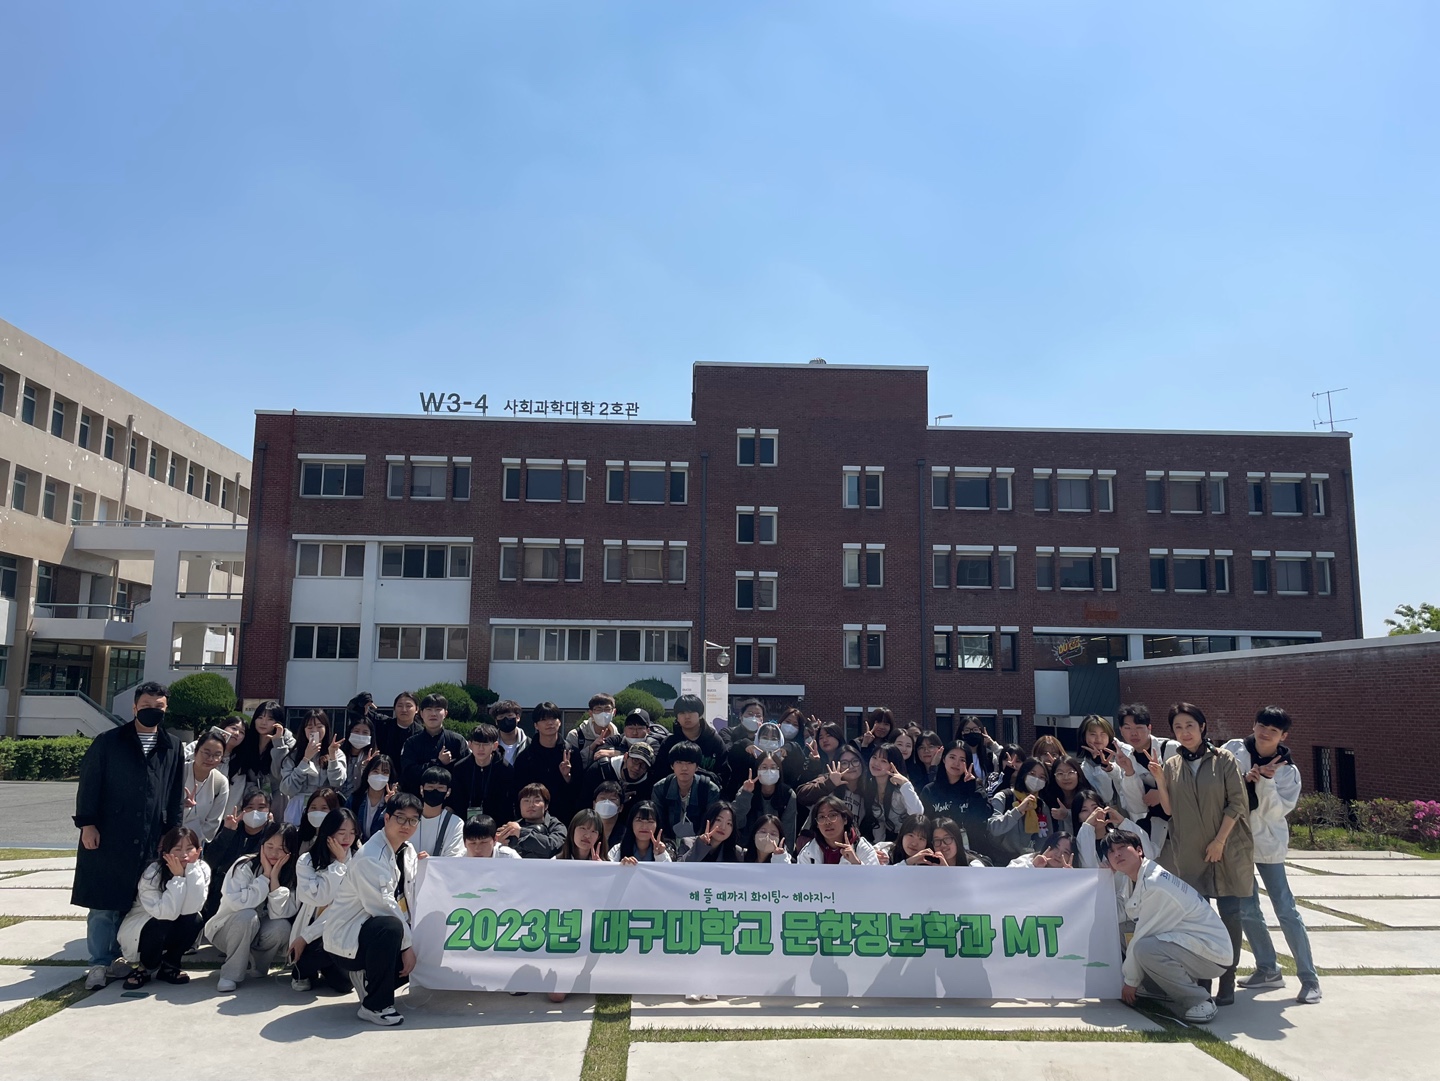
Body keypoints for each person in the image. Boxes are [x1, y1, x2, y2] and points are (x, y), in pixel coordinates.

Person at [73, 680, 186, 991]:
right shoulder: (108, 741)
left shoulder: (172, 746)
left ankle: (122, 957)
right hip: (109, 834)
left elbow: (175, 794)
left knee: (135, 900)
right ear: (135, 707)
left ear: (166, 709)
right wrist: (87, 824)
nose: (152, 711)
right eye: (146, 706)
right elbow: (89, 785)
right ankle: (99, 962)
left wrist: (172, 834)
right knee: (103, 902)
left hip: (151, 837)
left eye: (159, 707)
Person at [1149, 702, 1254, 1007]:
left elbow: (1237, 803)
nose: (1185, 732)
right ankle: (1204, 978)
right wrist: (1159, 779)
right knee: (1199, 919)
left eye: (1190, 726)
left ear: (1202, 727)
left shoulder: (1224, 759)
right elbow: (1169, 809)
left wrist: (1220, 841)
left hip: (1228, 849)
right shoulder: (1172, 765)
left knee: (1231, 916)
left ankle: (1228, 979)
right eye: (1178, 727)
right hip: (1191, 852)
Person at [1226, 706, 1321, 1005]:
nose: (1265, 733)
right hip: (1236, 842)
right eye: (1262, 726)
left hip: (1268, 844)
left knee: (1285, 909)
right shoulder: (1234, 749)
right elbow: (1220, 785)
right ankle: (1268, 969)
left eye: (1273, 730)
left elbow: (1275, 812)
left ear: (1283, 736)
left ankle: (1309, 979)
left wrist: (1265, 780)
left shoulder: (1288, 771)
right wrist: (1245, 778)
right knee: (1247, 909)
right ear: (1253, 725)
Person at [1104, 829, 1232, 1024]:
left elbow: (1142, 934)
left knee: (1144, 948)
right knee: (1122, 930)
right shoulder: (1135, 877)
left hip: (1212, 953)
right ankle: (1159, 989)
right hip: (1187, 942)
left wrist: (1130, 982)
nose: (1117, 854)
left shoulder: (1155, 883)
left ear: (1139, 850)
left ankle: (1201, 1000)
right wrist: (1103, 878)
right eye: (1111, 852)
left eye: (1122, 847)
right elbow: (1124, 914)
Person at [323, 792, 421, 1026]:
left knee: (412, 938)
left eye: (413, 820)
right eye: (400, 818)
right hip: (348, 939)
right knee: (390, 927)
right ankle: (375, 1006)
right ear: (386, 818)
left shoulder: (402, 850)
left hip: (366, 933)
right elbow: (384, 907)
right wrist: (407, 946)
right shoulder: (371, 857)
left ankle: (368, 978)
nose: (406, 825)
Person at [205, 822, 299, 992]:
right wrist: (264, 877)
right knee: (247, 915)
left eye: (281, 848)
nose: (274, 853)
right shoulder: (244, 865)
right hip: (227, 931)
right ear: (262, 844)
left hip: (258, 934)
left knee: (282, 927)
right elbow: (238, 903)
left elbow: (280, 913)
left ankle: (259, 966)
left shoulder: (292, 873)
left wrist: (274, 879)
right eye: (269, 846)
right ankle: (230, 975)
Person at [116, 826, 210, 989]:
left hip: (175, 925)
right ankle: (146, 967)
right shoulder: (153, 872)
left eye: (189, 849)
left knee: (194, 919)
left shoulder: (201, 869)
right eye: (177, 849)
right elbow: (165, 913)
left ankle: (170, 965)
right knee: (161, 923)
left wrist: (190, 870)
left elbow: (192, 908)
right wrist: (178, 878)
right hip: (148, 925)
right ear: (166, 852)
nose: (184, 854)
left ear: (198, 850)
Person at [289, 808, 360, 992]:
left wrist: (306, 937)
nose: (347, 838)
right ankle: (303, 972)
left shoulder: (358, 861)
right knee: (311, 957)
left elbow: (344, 909)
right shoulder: (307, 860)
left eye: (352, 833)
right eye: (341, 832)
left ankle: (325, 968)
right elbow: (320, 898)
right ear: (328, 833)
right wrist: (339, 864)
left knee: (344, 985)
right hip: (312, 930)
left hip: (341, 930)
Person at [201, 786, 274, 920]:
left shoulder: (272, 836)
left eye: (261, 808)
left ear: (269, 811)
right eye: (250, 807)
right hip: (220, 892)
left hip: (252, 894)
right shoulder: (232, 829)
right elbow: (210, 861)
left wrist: (270, 830)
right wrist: (227, 832)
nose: (255, 812)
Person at [1119, 703, 1181, 853]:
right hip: (1158, 835)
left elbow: (1194, 784)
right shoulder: (1126, 761)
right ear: (1121, 731)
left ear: (1149, 728)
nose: (1134, 733)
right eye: (1127, 728)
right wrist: (1129, 773)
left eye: (1139, 727)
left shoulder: (1171, 748)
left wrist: (1161, 794)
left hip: (1185, 826)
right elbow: (1136, 807)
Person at [226, 702, 295, 814]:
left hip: (277, 799)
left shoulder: (287, 743)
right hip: (249, 797)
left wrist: (278, 742)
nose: (263, 722)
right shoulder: (247, 739)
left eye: (270, 719)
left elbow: (279, 775)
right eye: (260, 717)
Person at [513, 701, 576, 821]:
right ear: (536, 725)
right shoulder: (526, 757)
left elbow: (579, 791)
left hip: (565, 818)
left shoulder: (571, 753)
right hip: (533, 819)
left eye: (553, 718)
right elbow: (519, 792)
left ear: (559, 722)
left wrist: (567, 777)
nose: (550, 723)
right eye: (544, 719)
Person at [281, 710, 348, 821]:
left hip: (325, 806)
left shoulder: (336, 753)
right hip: (298, 807)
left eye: (319, 726)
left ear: (326, 728)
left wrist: (332, 758)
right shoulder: (294, 755)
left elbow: (337, 782)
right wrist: (305, 759)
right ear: (303, 730)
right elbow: (287, 789)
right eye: (310, 727)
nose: (314, 730)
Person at [652, 740, 722, 842]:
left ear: (697, 766)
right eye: (679, 762)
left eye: (689, 763)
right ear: (672, 765)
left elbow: (711, 822)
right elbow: (658, 821)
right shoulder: (660, 788)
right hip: (667, 842)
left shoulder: (710, 789)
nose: (684, 768)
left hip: (700, 842)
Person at [1077, 715, 1147, 818]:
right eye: (1093, 734)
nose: (1098, 739)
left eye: (1103, 734)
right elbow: (1106, 796)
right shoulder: (1085, 767)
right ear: (1084, 737)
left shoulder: (1127, 752)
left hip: (1139, 813)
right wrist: (1098, 763)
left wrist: (1109, 768)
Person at [447, 723, 517, 824]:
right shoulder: (460, 768)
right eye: (477, 744)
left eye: (485, 744)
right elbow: (457, 800)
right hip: (466, 824)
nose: (481, 748)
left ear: (494, 746)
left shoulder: (505, 769)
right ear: (470, 745)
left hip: (496, 824)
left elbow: (508, 804)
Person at [399, 694, 468, 795]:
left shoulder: (456, 741)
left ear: (445, 713)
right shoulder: (411, 743)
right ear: (421, 713)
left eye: (438, 709)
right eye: (429, 709)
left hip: (450, 800)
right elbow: (408, 773)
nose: (433, 714)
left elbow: (465, 773)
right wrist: (438, 762)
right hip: (417, 799)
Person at [988, 757, 1054, 860]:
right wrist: (1018, 811)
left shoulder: (1041, 805)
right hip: (1002, 861)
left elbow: (1047, 838)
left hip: (1030, 862)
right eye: (1032, 774)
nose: (1037, 779)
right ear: (1023, 774)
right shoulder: (1004, 797)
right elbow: (994, 828)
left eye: (1042, 777)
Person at [732, 749, 798, 849]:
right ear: (757, 770)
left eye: (773, 767)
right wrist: (746, 795)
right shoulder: (747, 789)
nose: (769, 771)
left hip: (775, 849)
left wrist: (784, 855)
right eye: (764, 767)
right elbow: (736, 821)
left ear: (779, 770)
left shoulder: (788, 795)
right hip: (747, 848)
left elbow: (788, 832)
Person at [861, 743, 924, 844]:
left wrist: (905, 784)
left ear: (892, 766)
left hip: (909, 840)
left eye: (883, 761)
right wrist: (878, 845)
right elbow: (879, 821)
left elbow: (917, 813)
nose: (876, 763)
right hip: (886, 841)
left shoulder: (901, 790)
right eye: (874, 757)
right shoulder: (868, 786)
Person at [1074, 793, 1154, 868]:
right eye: (1084, 810)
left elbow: (1148, 853)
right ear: (1078, 817)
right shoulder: (1077, 844)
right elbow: (1088, 866)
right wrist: (1087, 827)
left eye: (1095, 808)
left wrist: (1123, 822)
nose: (1092, 814)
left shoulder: (1119, 837)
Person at [655, 699, 728, 781]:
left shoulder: (715, 741)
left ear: (700, 715)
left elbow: (724, 773)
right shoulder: (669, 743)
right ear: (677, 717)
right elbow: (659, 774)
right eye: (682, 713)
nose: (687, 716)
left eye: (691, 712)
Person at [796, 795, 879, 865]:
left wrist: (856, 863)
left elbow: (874, 878)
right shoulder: (808, 852)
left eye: (833, 815)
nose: (827, 822)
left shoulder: (862, 848)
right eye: (821, 817)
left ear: (845, 819)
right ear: (817, 824)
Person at [183, 728, 231, 843]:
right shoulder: (179, 771)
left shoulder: (220, 782)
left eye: (217, 755)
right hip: (169, 838)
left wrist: (196, 842)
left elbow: (213, 821)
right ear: (196, 752)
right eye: (206, 753)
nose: (210, 759)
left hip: (195, 843)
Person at [499, 783, 567, 858]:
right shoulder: (512, 827)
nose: (531, 805)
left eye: (537, 800)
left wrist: (521, 832)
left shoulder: (557, 826)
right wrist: (498, 844)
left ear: (546, 806)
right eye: (526, 800)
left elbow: (552, 848)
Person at [563, 694, 627, 772]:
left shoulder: (619, 738)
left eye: (607, 709)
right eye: (598, 709)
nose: (603, 713)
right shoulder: (575, 735)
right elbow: (572, 765)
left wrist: (612, 753)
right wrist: (592, 748)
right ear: (590, 713)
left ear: (614, 712)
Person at [919, 740, 978, 821]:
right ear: (944, 759)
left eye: (962, 760)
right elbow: (924, 821)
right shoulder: (930, 790)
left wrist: (974, 787)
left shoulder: (974, 788)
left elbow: (982, 816)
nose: (956, 763)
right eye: (952, 757)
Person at [414, 766, 465, 857]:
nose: (435, 791)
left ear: (448, 792)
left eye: (440, 788)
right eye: (430, 787)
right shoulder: (409, 819)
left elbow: (454, 857)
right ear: (421, 789)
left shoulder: (455, 823)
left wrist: (429, 861)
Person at [349, 755, 396, 841]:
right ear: (368, 773)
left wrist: (390, 806)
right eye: (375, 771)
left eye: (385, 772)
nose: (379, 776)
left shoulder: (395, 802)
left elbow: (394, 831)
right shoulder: (355, 799)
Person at [375, 691, 420, 767]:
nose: (404, 710)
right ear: (394, 708)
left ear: (417, 709)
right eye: (400, 706)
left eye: (408, 706)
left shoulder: (420, 733)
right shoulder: (383, 725)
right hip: (384, 770)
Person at [338, 715, 377, 799]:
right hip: (336, 800)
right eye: (356, 731)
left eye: (365, 732)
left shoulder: (373, 757)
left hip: (359, 801)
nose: (360, 735)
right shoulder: (338, 753)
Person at [958, 716, 1001, 789]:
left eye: (975, 730)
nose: (972, 733)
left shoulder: (990, 756)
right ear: (962, 733)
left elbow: (1007, 759)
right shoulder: (957, 756)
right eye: (967, 730)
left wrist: (992, 744)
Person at [1048, 756, 1086, 834]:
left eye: (1071, 772)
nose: (1066, 777)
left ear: (1078, 774)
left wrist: (1067, 816)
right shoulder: (1049, 799)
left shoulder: (1087, 798)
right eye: (1060, 773)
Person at [489, 698, 529, 766]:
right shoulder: (488, 744)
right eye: (501, 717)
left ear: (518, 717)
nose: (506, 720)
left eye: (509, 716)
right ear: (496, 721)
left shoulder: (528, 744)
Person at [1010, 833, 1077, 869]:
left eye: (1065, 852)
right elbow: (1008, 876)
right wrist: (1032, 866)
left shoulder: (1071, 874)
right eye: (1056, 847)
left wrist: (1068, 876)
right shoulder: (1028, 859)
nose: (1058, 855)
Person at [591, 782, 626, 851]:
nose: (606, 802)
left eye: (612, 799)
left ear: (620, 807)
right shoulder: (585, 830)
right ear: (594, 804)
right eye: (602, 798)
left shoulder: (625, 835)